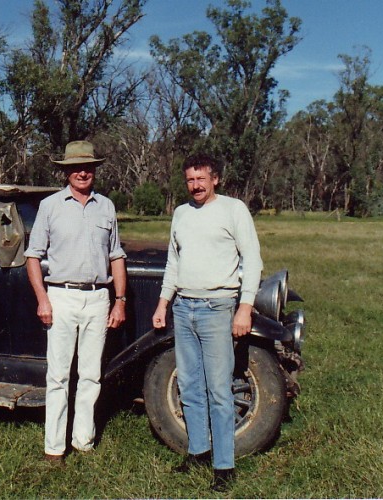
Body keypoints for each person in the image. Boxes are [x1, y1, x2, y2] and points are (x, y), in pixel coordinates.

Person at [151, 153, 262, 492]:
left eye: (201, 179)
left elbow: (253, 260)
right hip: (183, 308)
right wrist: (163, 304)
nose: (195, 185)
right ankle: (198, 451)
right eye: (190, 180)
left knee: (218, 389)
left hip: (218, 308)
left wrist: (244, 308)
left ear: (215, 179)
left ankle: (224, 466)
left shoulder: (234, 209)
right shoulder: (181, 214)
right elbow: (173, 262)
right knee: (189, 384)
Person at [25, 140, 128, 466]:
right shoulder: (50, 206)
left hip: (98, 298)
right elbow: (32, 256)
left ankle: (84, 441)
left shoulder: (106, 207)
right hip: (61, 297)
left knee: (90, 375)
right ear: (66, 171)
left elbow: (116, 256)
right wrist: (43, 299)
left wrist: (119, 301)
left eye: (88, 167)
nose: (83, 172)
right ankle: (54, 449)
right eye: (76, 168)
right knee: (58, 377)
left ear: (95, 169)